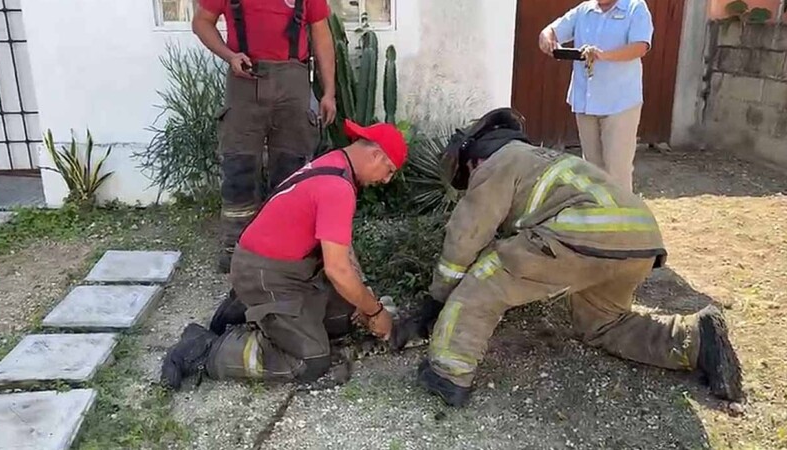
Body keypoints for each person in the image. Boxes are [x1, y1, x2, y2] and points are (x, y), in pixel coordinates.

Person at [397, 108, 742, 407]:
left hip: (583, 235)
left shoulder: (496, 164)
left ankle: (448, 373)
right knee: (604, 324)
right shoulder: (545, 160)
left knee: (486, 280)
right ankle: (694, 338)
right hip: (639, 239)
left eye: (466, 177)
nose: (470, 182)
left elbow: (464, 239)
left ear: (474, 160)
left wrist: (437, 298)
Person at [161, 120, 408, 389]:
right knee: (310, 360)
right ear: (376, 155)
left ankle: (249, 307)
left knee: (342, 318)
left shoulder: (335, 163)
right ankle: (205, 349)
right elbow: (338, 270)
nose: (386, 180)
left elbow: (341, 252)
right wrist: (376, 311)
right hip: (266, 272)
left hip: (280, 266)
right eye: (389, 171)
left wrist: (363, 301)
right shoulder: (337, 188)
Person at [193, 0, 337, 273]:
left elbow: (321, 34)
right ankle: (236, 253)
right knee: (239, 167)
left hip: (293, 83)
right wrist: (229, 55)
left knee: (291, 171)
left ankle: (285, 251)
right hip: (244, 81)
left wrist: (328, 92)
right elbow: (201, 22)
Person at [539, 0, 653, 193]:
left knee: (617, 170)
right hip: (585, 101)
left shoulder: (635, 7)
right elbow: (552, 30)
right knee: (591, 169)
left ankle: (621, 220)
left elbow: (641, 46)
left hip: (620, 102)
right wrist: (547, 37)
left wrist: (603, 56)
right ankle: (598, 219)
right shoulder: (584, 10)